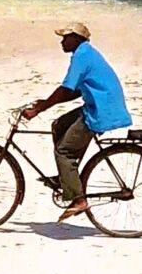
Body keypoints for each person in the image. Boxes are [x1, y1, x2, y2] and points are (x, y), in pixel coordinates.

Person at [20, 23, 131, 222]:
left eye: (65, 38)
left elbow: (66, 88)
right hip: (98, 105)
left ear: (76, 39)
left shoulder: (81, 56)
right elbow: (74, 91)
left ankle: (79, 200)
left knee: (64, 151)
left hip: (100, 111)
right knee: (59, 125)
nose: (62, 42)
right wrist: (46, 103)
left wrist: (38, 109)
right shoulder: (86, 53)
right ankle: (67, 177)